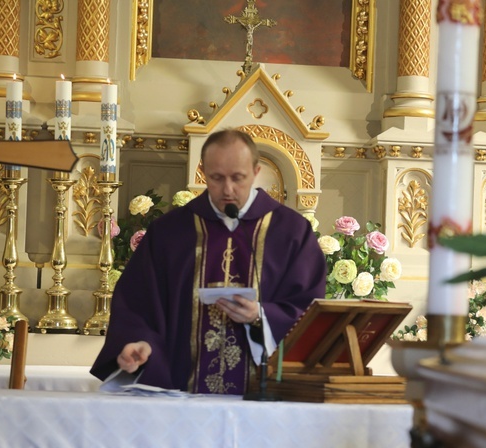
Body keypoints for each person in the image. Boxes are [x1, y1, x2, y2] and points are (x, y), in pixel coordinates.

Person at [91, 130, 326, 394]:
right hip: (181, 396)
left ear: (256, 171)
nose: (228, 190)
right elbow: (137, 304)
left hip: (264, 398)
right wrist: (139, 345)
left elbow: (310, 308)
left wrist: (261, 315)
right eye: (216, 178)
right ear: (203, 172)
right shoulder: (170, 232)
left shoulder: (291, 232)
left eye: (238, 178)